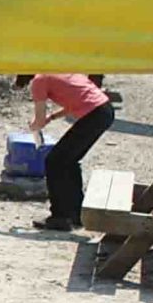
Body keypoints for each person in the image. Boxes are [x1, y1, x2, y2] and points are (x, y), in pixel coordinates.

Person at [18, 74, 114, 232]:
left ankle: (60, 217)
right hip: (105, 110)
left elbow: (39, 120)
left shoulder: (39, 81)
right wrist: (52, 117)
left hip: (95, 114)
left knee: (54, 161)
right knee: (68, 162)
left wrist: (35, 125)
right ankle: (77, 214)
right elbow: (75, 100)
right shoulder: (57, 70)